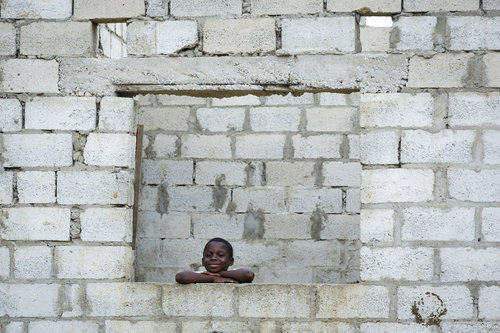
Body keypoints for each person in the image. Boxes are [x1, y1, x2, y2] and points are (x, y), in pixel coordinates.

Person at [175, 237, 254, 284]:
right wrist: (213, 278)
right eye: (209, 255)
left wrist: (220, 274)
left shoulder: (233, 275)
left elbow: (248, 275)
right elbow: (180, 276)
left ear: (231, 261)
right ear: (202, 261)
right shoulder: (200, 275)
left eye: (220, 255)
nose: (213, 258)